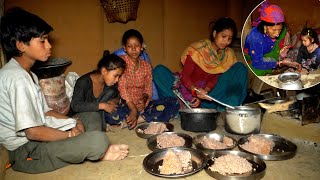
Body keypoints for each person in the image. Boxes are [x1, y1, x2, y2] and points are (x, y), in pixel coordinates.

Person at [0, 7, 128, 174]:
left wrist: (74, 123)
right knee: (99, 140)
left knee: (91, 115)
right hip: (27, 151)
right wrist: (69, 136)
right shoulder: (17, 79)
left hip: (39, 136)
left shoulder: (28, 74)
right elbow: (33, 132)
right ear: (20, 45)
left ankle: (86, 147)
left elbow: (46, 112)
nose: (49, 45)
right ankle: (95, 150)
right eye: (42, 41)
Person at [153, 17, 248, 111]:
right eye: (223, 36)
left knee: (240, 68)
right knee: (159, 70)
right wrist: (195, 91)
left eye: (229, 39)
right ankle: (180, 105)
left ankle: (227, 109)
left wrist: (205, 91)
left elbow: (217, 79)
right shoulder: (197, 49)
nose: (226, 41)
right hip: (188, 90)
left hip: (210, 96)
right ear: (215, 33)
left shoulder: (228, 55)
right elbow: (185, 76)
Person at [116, 29, 179, 129]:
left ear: (142, 46)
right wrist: (133, 109)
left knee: (173, 102)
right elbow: (122, 88)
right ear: (124, 48)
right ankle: (138, 117)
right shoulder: (120, 62)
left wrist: (144, 99)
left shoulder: (146, 66)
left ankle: (141, 119)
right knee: (110, 113)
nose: (133, 49)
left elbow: (148, 89)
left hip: (142, 106)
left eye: (137, 45)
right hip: (125, 105)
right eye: (129, 46)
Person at [70, 51, 127, 130]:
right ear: (104, 71)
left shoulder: (111, 83)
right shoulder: (83, 82)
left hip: (100, 114)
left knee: (124, 110)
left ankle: (105, 124)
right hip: (82, 116)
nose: (117, 80)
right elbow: (75, 106)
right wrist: (103, 106)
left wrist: (114, 101)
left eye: (119, 76)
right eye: (116, 76)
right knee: (95, 118)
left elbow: (117, 95)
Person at [243, 1, 301, 76]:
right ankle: (274, 63)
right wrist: (281, 63)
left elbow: (284, 28)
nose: (277, 34)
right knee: (258, 70)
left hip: (269, 50)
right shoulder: (256, 38)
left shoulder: (278, 29)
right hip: (255, 58)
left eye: (279, 30)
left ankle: (275, 61)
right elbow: (257, 63)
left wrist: (287, 32)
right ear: (265, 26)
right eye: (273, 30)